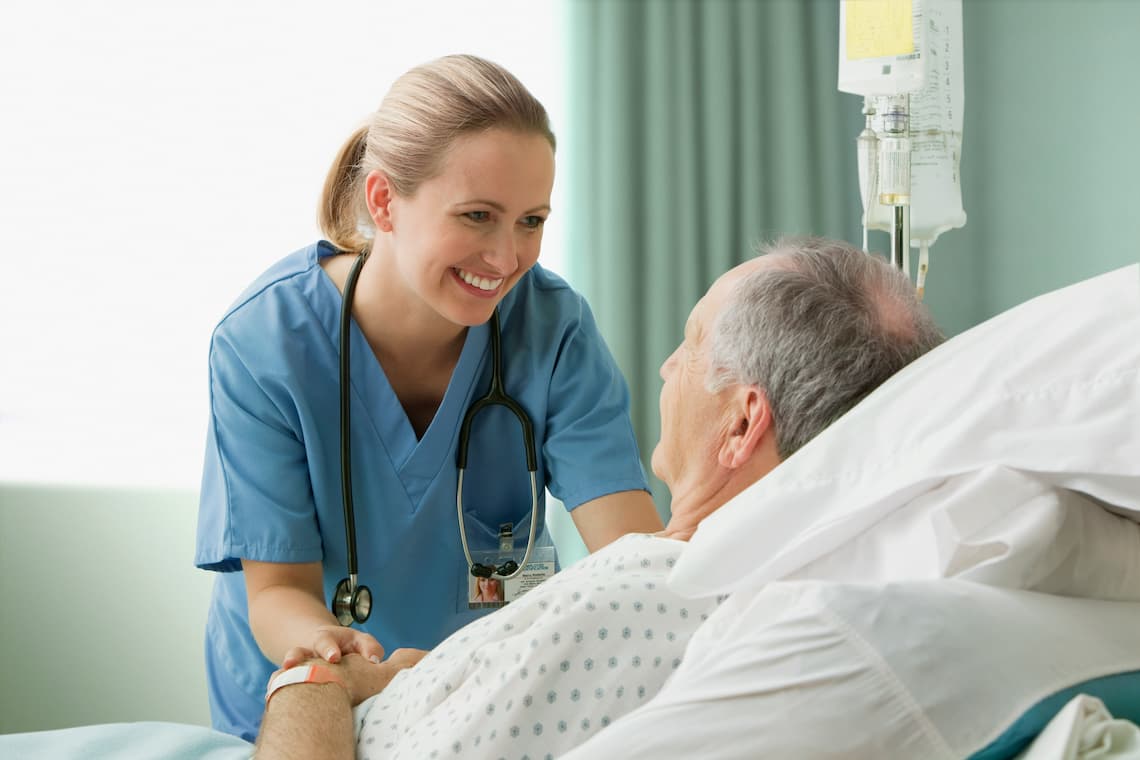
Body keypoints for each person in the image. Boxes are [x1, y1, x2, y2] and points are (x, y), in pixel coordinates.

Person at [253, 237, 946, 760]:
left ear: (740, 425)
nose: (668, 366)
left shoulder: (635, 603)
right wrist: (427, 678)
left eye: (692, 343)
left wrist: (318, 683)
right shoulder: (756, 590)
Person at [194, 53, 664, 742]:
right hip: (319, 692)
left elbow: (633, 552)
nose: (507, 258)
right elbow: (277, 593)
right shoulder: (265, 344)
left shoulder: (552, 328)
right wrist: (337, 654)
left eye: (531, 221)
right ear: (383, 201)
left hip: (490, 700)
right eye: (477, 216)